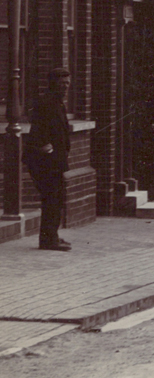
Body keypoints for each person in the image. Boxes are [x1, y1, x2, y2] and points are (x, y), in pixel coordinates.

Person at [25, 68, 73, 251]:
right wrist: (48, 150)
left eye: (67, 83)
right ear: (53, 84)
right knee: (52, 198)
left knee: (56, 198)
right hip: (45, 162)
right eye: (62, 83)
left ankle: (52, 236)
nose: (66, 87)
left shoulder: (57, 102)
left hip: (54, 161)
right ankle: (48, 240)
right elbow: (39, 132)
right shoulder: (46, 103)